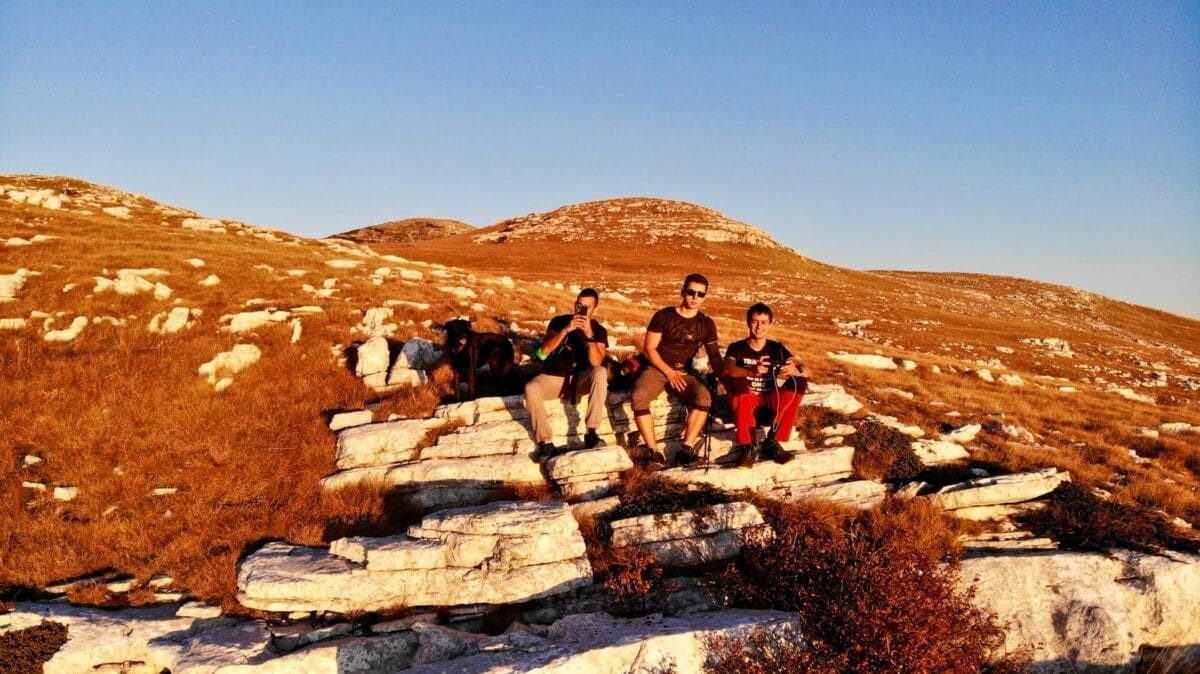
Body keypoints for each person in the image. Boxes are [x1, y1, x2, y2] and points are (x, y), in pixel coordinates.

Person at [630, 273, 723, 468]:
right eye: (691, 292)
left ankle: (686, 449)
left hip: (684, 372)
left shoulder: (706, 324)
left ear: (705, 296)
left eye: (700, 294)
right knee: (639, 396)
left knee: (704, 397)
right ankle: (653, 451)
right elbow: (649, 349)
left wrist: (727, 377)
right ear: (683, 292)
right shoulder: (664, 316)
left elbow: (714, 357)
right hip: (657, 367)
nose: (695, 297)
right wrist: (668, 372)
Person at [525, 288, 609, 459]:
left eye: (587, 307)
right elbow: (545, 350)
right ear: (575, 305)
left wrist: (589, 335)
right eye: (579, 305)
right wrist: (565, 330)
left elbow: (596, 362)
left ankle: (592, 432)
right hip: (554, 377)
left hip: (581, 379)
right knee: (531, 388)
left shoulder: (599, 330)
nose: (582, 310)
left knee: (600, 372)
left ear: (595, 309)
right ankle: (545, 443)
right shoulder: (559, 322)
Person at [722, 302, 807, 467]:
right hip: (746, 401)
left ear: (770, 324)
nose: (759, 326)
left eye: (763, 322)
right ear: (748, 322)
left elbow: (806, 370)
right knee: (738, 381)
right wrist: (751, 371)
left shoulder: (776, 348)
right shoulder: (737, 347)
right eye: (755, 321)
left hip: (769, 401)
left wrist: (796, 370)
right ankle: (750, 444)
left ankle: (772, 440)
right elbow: (727, 369)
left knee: (799, 382)